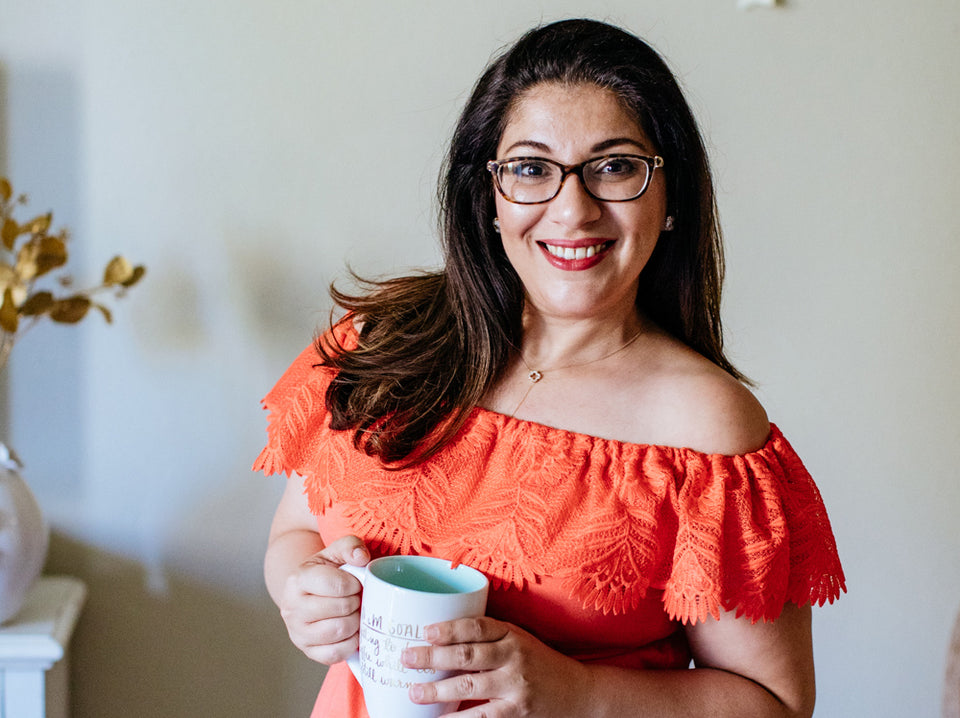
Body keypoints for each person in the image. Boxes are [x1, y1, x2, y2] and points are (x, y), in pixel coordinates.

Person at [257, 18, 845, 718]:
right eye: (531, 168)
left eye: (616, 165)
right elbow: (296, 532)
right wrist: (302, 590)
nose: (573, 208)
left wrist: (581, 693)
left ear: (671, 197)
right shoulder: (380, 344)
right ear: (489, 197)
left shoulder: (704, 428)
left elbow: (773, 704)